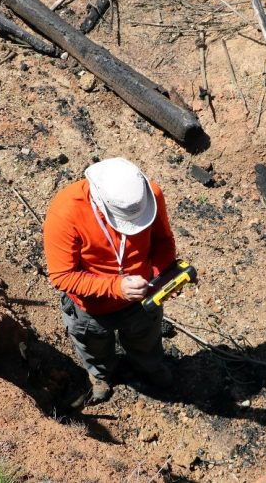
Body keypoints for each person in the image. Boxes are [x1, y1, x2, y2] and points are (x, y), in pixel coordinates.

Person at [43, 157, 176, 402]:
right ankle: (100, 374)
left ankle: (150, 367)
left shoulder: (148, 196)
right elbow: (62, 276)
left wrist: (162, 278)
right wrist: (116, 287)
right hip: (91, 308)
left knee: (146, 340)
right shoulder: (66, 212)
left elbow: (164, 242)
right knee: (94, 347)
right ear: (98, 200)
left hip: (142, 299)